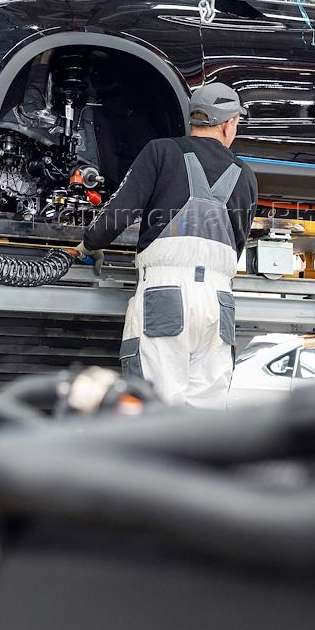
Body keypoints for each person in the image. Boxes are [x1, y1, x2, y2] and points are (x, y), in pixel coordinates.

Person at [75, 83, 258, 409]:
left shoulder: (161, 152)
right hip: (219, 302)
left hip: (165, 295)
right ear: (228, 123)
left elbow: (119, 213)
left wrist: (88, 245)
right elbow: (238, 242)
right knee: (207, 415)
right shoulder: (245, 175)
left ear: (194, 118)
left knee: (154, 411)